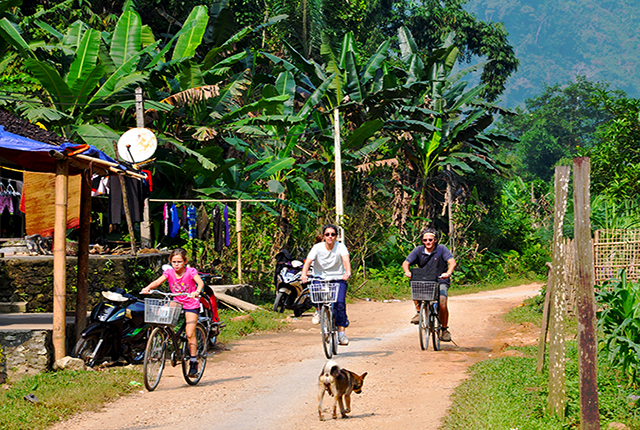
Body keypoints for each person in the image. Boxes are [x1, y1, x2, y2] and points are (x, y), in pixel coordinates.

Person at [141, 248, 205, 376]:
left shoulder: (191, 272)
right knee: (160, 314)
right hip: (177, 301)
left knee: (189, 332)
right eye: (174, 262)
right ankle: (161, 339)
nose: (176, 264)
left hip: (191, 303)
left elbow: (200, 283)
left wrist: (196, 292)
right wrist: (148, 288)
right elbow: (157, 282)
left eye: (179, 262)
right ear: (170, 262)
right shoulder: (169, 273)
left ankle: (193, 362)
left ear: (185, 262)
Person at [301, 224, 352, 345]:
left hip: (338, 278)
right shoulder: (317, 247)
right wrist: (304, 274)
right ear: (323, 236)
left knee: (340, 304)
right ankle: (319, 312)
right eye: (327, 234)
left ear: (336, 236)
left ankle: (341, 333)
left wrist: (347, 272)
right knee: (315, 294)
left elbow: (346, 260)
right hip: (320, 277)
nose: (330, 237)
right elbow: (308, 261)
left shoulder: (341, 247)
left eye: (333, 234)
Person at [402, 228, 456, 342]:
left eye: (430, 240)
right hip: (425, 279)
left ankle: (444, 329)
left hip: (440, 279)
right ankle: (418, 312)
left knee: (442, 302)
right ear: (422, 241)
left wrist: (448, 273)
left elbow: (452, 262)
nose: (428, 242)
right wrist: (407, 271)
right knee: (415, 286)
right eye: (425, 240)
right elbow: (406, 263)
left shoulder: (442, 249)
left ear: (435, 240)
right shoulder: (418, 250)